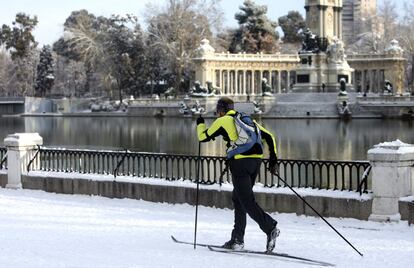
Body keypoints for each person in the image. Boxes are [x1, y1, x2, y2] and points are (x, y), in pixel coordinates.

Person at [196, 96, 280, 253]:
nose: (217, 114)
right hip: (255, 162)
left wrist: (200, 123)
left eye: (218, 111)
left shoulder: (223, 121)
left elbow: (203, 137)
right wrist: (273, 160)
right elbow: (269, 136)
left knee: (246, 201)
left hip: (240, 163)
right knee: (239, 199)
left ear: (221, 111)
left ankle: (270, 227)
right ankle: (237, 240)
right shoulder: (246, 119)